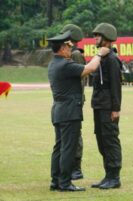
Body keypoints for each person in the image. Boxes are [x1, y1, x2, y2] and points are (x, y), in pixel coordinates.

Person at [47, 30, 110, 192]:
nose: (71, 50)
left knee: (59, 147)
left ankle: (56, 181)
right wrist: (99, 54)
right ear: (61, 49)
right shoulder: (65, 65)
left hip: (59, 111)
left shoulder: (53, 63)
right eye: (68, 47)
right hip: (69, 112)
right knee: (68, 147)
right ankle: (65, 183)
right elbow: (90, 68)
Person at [91, 23, 122, 189]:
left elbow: (116, 86)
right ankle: (108, 175)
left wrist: (116, 109)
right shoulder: (101, 57)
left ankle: (115, 177)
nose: (95, 38)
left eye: (98, 35)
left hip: (109, 107)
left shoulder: (112, 60)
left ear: (107, 38)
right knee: (101, 140)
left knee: (110, 140)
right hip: (99, 105)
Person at [60, 24, 86, 180]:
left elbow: (80, 80)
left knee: (75, 133)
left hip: (74, 99)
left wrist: (76, 99)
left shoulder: (75, 54)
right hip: (69, 99)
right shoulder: (68, 53)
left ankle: (76, 167)